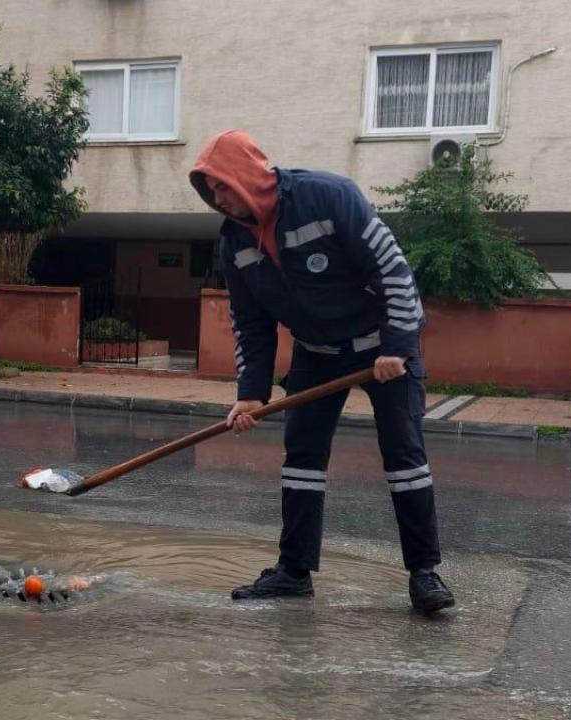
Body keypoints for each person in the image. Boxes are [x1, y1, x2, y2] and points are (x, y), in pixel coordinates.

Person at [189, 130, 455, 613]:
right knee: (302, 458)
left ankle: (424, 573)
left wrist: (396, 346)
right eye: (209, 191)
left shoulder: (329, 197)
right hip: (316, 351)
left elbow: (394, 271)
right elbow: (251, 325)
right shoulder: (235, 243)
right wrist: (252, 393)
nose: (217, 199)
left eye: (221, 186)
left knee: (403, 455)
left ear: (247, 175)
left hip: (383, 348)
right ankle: (294, 572)